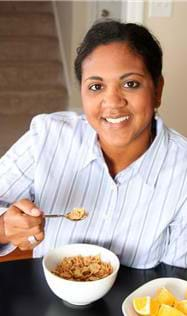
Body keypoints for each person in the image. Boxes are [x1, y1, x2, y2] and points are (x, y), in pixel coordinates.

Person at [0, 20, 187, 269]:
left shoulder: (182, 169)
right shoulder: (47, 136)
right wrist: (5, 228)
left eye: (130, 83)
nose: (112, 102)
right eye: (96, 87)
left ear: (157, 90)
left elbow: (175, 285)